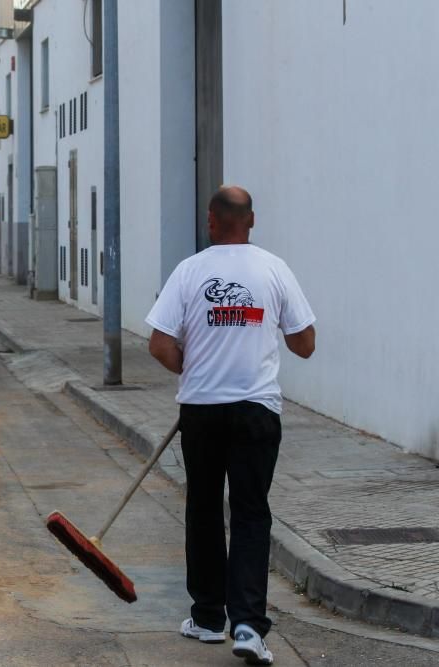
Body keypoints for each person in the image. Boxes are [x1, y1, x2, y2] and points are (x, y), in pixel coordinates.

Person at [145, 186, 316, 666]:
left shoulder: (190, 270)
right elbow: (305, 343)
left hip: (201, 409)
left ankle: (206, 619)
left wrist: (195, 365)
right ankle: (247, 626)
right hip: (256, 411)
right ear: (252, 221)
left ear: (210, 221)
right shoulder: (274, 269)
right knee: (249, 514)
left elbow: (159, 344)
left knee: (202, 508)